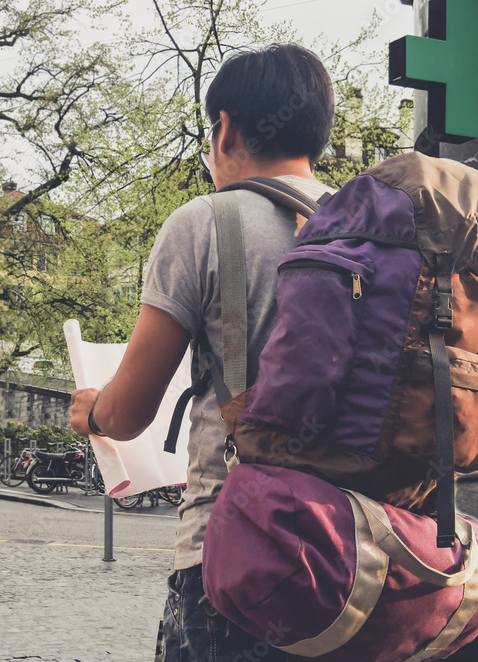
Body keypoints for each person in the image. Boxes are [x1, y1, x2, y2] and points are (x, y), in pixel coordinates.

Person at [70, 44, 336, 661]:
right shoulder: (363, 228)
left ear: (225, 128)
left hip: (236, 552)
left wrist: (93, 414)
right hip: (359, 554)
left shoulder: (204, 224)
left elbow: (131, 411)